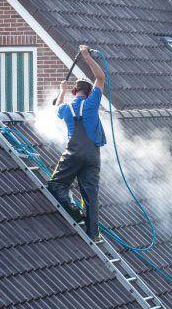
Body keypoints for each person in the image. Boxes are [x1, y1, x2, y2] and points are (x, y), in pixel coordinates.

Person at [48, 45, 106, 241]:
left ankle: (74, 212)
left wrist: (61, 91)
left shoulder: (66, 108)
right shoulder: (92, 103)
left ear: (74, 91)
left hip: (72, 154)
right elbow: (100, 77)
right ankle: (93, 234)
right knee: (90, 194)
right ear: (90, 93)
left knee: (56, 184)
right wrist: (86, 56)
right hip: (92, 156)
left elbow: (57, 108)